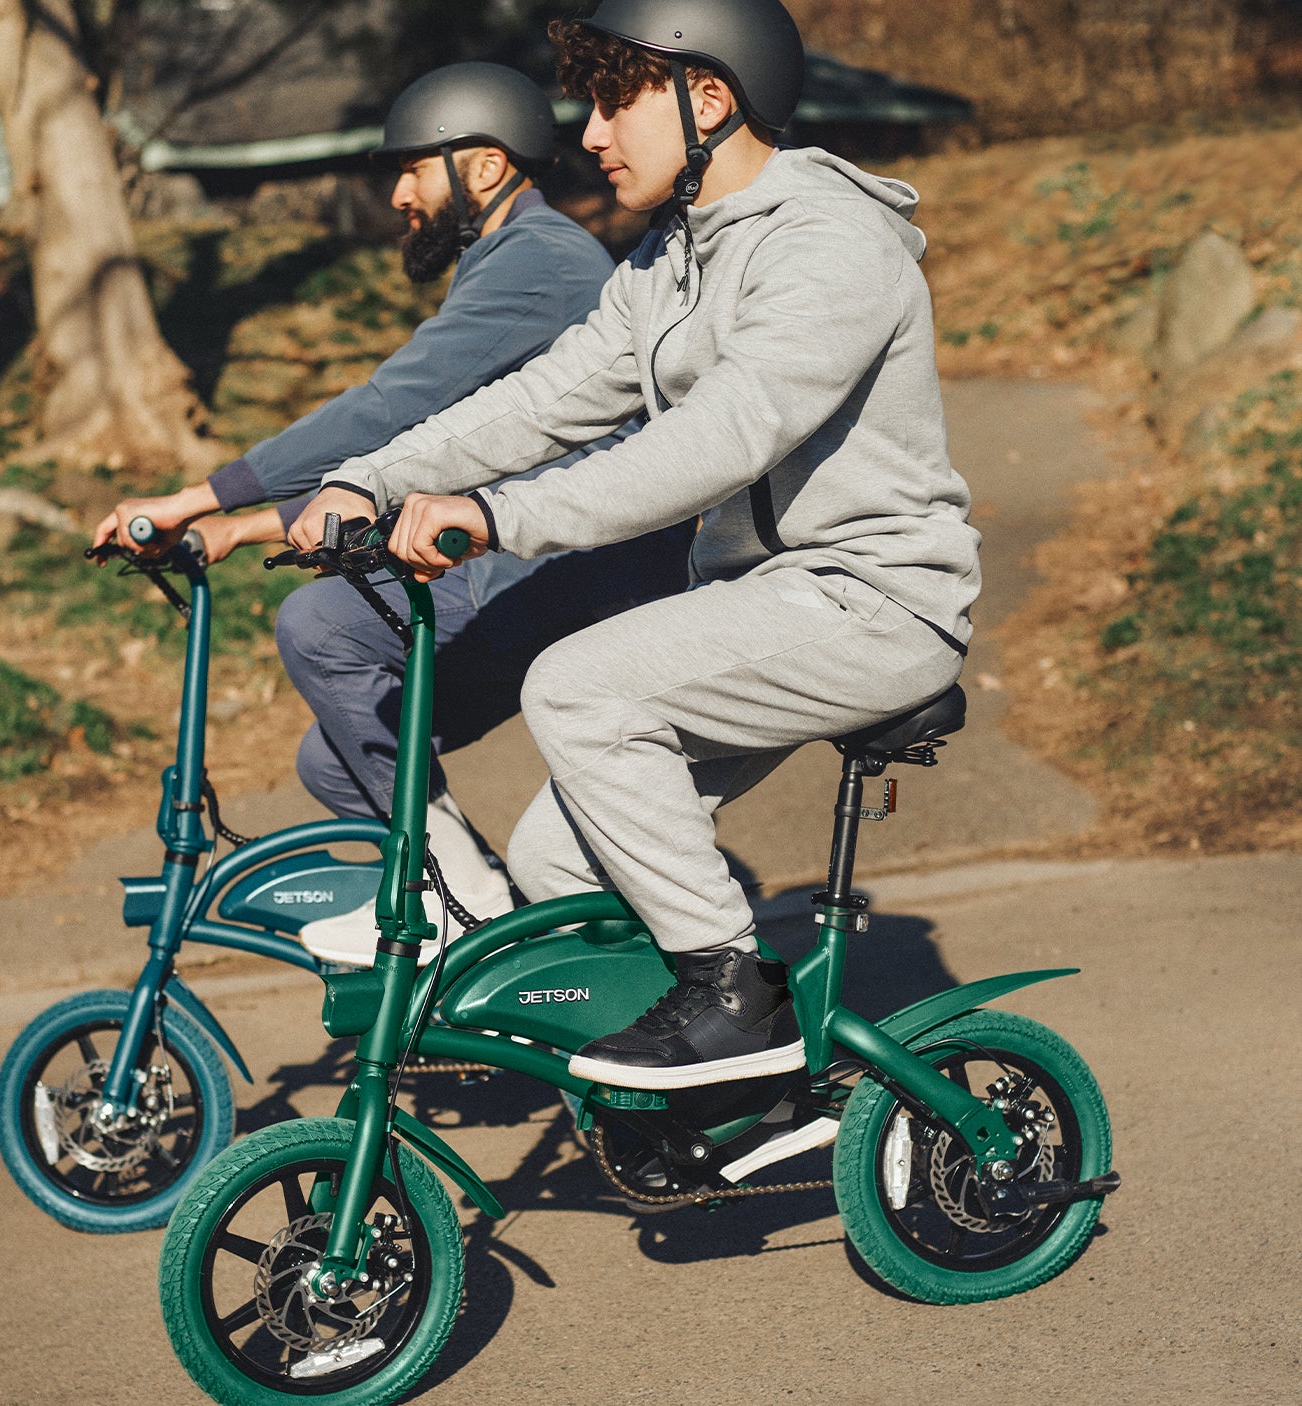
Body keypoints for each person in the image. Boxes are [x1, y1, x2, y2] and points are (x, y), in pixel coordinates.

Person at [291, 0, 982, 1087]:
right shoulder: (673, 257)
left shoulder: (828, 243)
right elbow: (553, 394)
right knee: (553, 860)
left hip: (871, 601)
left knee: (578, 689)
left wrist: (500, 515)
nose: (592, 134)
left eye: (616, 101)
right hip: (763, 609)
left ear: (708, 98)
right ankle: (684, 1100)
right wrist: (376, 475)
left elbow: (724, 437)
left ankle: (736, 1003)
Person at [94, 61, 692, 965]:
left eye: (414, 168)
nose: (398, 193)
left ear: (484, 169)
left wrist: (201, 493)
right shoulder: (506, 260)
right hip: (539, 552)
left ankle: (464, 911)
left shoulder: (541, 261)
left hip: (589, 557)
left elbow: (389, 409)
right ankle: (483, 921)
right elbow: (437, 449)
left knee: (324, 625)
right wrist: (235, 529)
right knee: (337, 759)